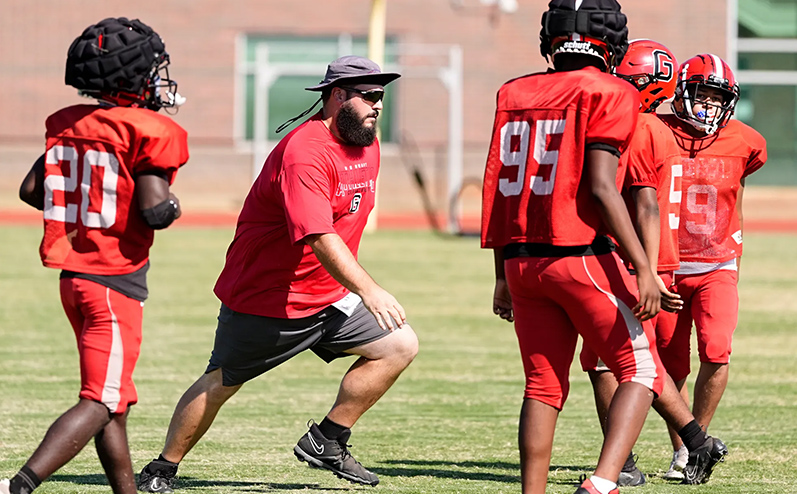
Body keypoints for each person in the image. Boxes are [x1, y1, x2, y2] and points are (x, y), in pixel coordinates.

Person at [137, 55, 418, 493]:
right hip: (268, 298)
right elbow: (319, 237)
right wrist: (370, 290)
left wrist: (352, 291)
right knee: (222, 381)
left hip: (328, 297)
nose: (378, 106)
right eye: (369, 96)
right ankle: (162, 469)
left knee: (399, 345)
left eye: (382, 97)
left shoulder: (367, 144)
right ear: (337, 97)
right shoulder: (304, 152)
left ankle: (327, 440)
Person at [481, 2, 728, 492]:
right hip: (578, 254)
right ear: (612, 42)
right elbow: (601, 186)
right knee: (639, 367)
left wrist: (499, 273)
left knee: (542, 386)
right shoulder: (609, 90)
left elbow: (499, 189)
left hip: (520, 263)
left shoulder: (513, 91)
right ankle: (604, 483)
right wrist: (644, 268)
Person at [4, 17, 188, 494]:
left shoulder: (69, 122)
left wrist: (87, 205)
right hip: (114, 282)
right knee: (101, 400)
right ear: (132, 78)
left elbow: (30, 190)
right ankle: (19, 485)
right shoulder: (149, 129)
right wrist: (169, 207)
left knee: (114, 403)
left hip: (73, 277)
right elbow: (153, 209)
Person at [577, 38, 684, 487]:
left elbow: (646, 205)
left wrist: (649, 269)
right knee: (622, 362)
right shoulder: (645, 123)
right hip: (635, 259)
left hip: (635, 261)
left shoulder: (638, 125)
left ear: (656, 85)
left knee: (618, 364)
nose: (621, 83)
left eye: (634, 80)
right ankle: (681, 446)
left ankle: (682, 445)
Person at [656, 53, 767, 481]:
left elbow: (742, 175)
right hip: (666, 264)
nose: (709, 105)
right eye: (701, 94)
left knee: (717, 349)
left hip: (717, 262)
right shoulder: (657, 129)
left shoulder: (746, 140)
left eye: (718, 97)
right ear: (682, 94)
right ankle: (684, 449)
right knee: (669, 365)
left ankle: (698, 441)